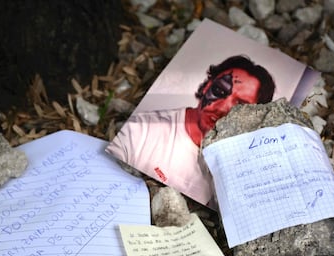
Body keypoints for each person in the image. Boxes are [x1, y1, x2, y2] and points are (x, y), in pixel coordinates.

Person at [106, 55, 276, 209]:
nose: (222, 108)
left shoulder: (244, 171)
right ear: (207, 86)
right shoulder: (143, 131)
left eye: (240, 106)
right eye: (220, 91)